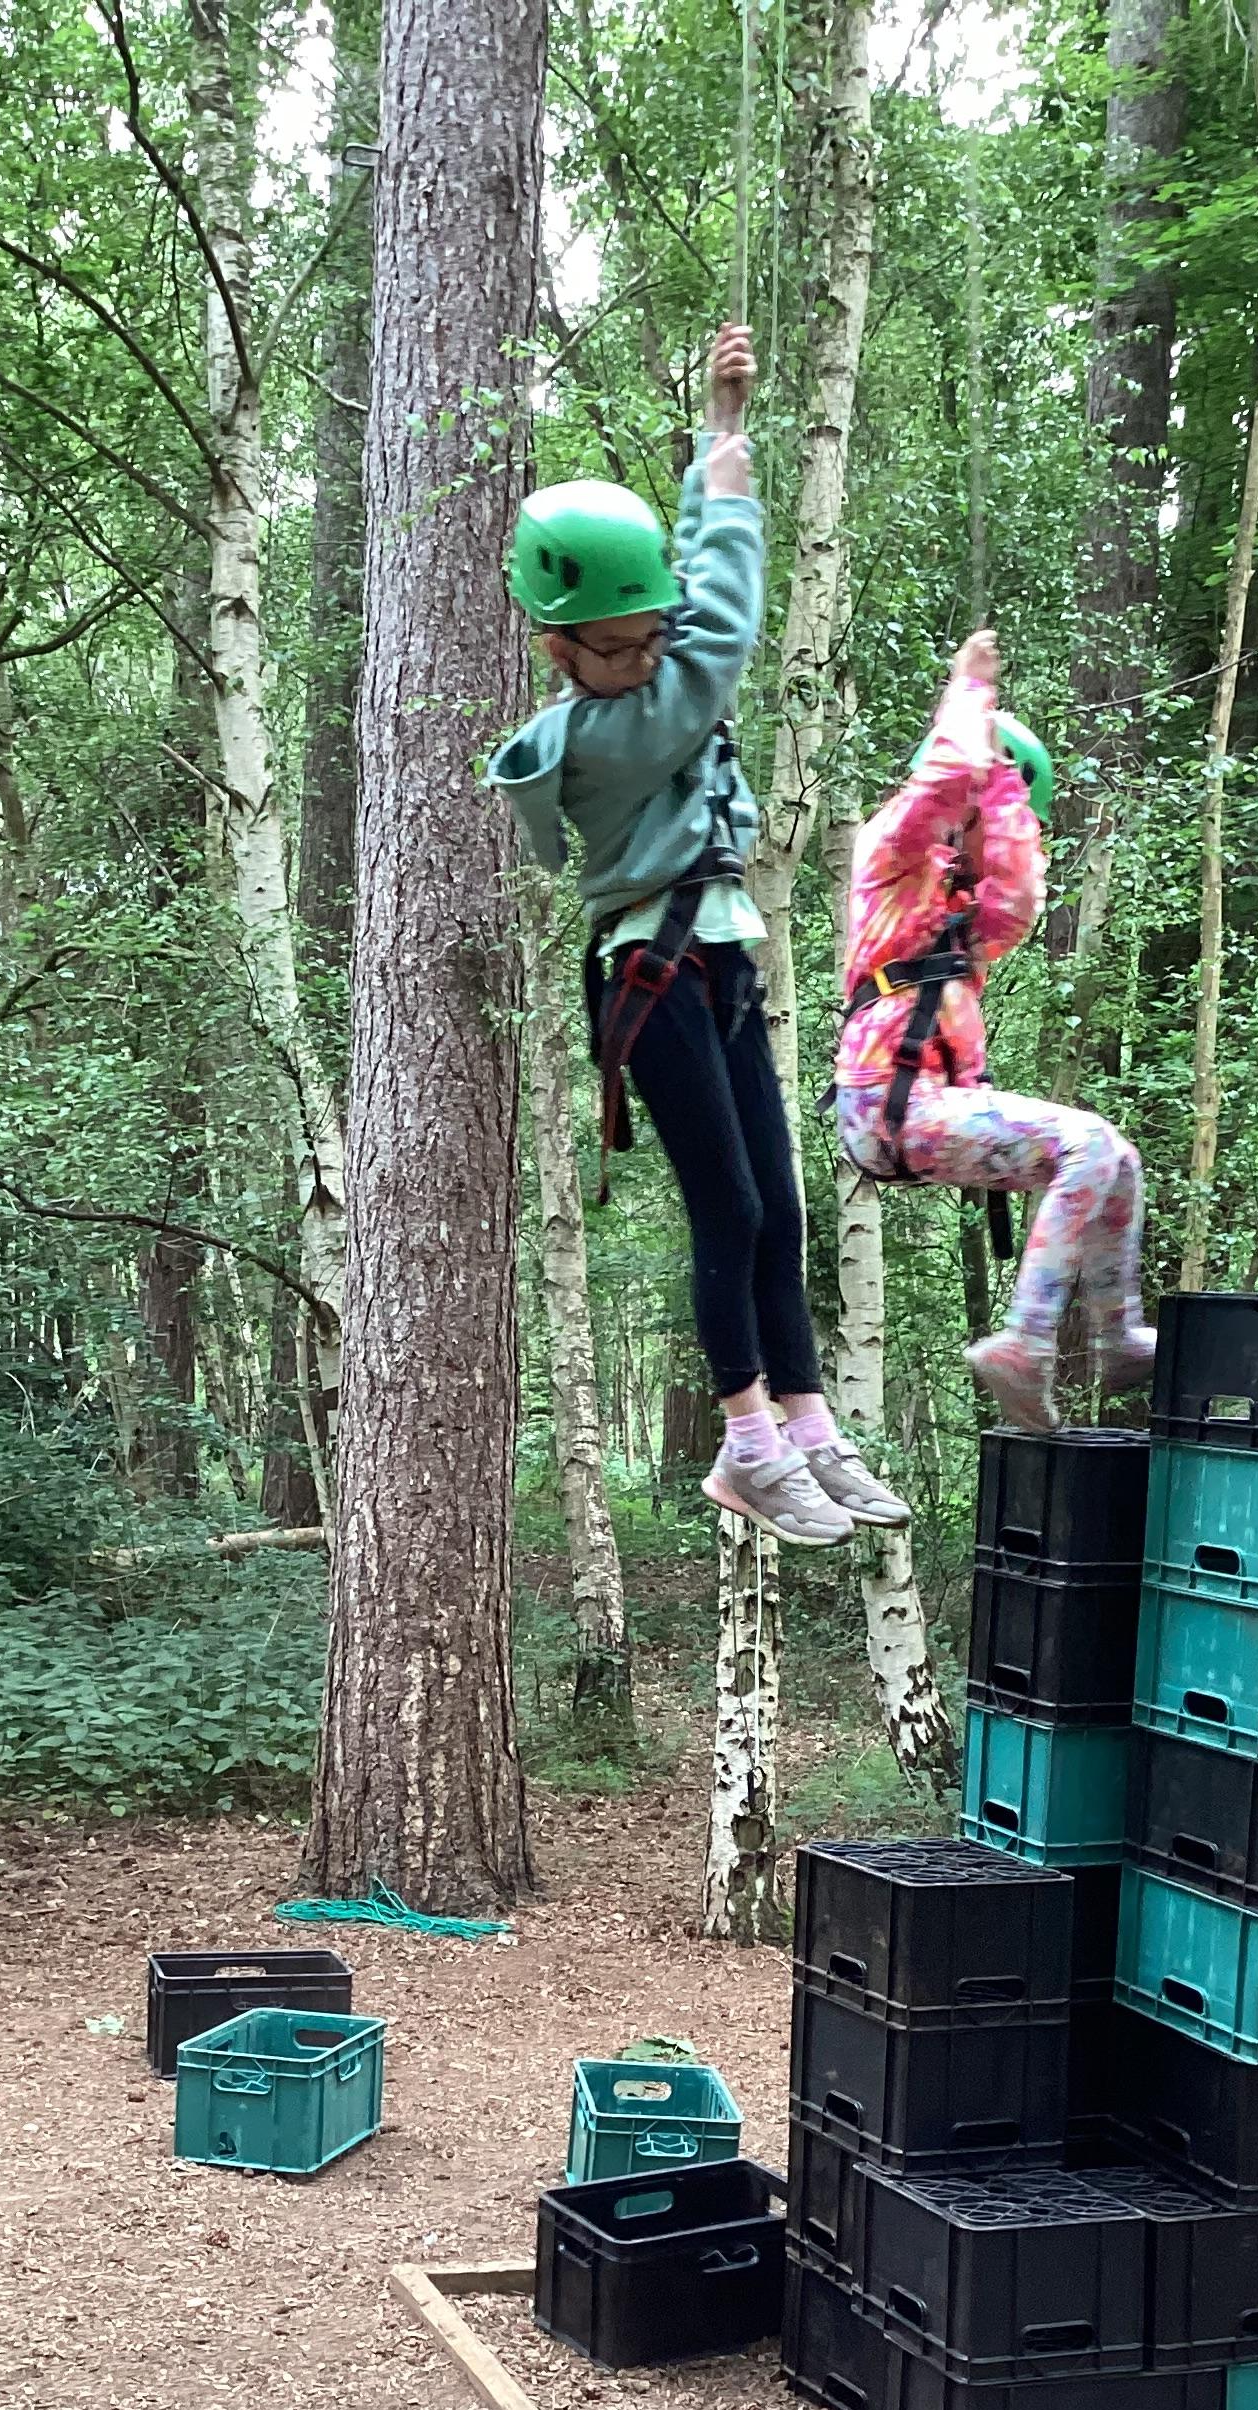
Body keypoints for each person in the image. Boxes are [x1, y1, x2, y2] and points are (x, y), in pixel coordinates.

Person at [487, 325, 904, 1549]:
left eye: (649, 635)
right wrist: (724, 455)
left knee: (778, 1204)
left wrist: (715, 442)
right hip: (650, 975)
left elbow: (692, 617)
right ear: (556, 647)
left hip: (715, 963)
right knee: (726, 1205)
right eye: (617, 648)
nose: (646, 658)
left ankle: (808, 1427)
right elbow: (724, 620)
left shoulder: (648, 684)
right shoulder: (608, 735)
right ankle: (744, 1446)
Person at [835, 630, 1154, 1434]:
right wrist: (970, 691)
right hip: (885, 1102)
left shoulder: (963, 914)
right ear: (967, 809)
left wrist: (1005, 810)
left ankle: (1118, 1336)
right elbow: (941, 785)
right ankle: (1025, 1342)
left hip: (922, 1106)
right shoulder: (892, 856)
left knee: (1116, 1158)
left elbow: (1017, 904)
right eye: (999, 820)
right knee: (1087, 1142)